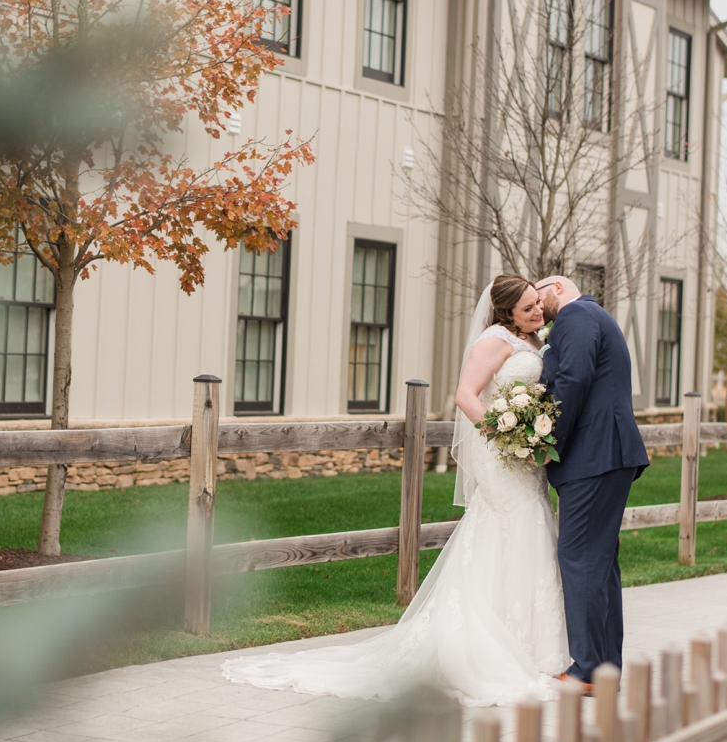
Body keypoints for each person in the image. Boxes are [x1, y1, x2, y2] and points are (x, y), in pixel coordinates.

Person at [220, 275, 570, 705]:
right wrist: (506, 436)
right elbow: (465, 395)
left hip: (524, 457)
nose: (537, 312)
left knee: (529, 529)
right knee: (512, 527)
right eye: (527, 309)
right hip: (502, 455)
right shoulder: (495, 339)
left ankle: (533, 644)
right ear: (505, 313)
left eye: (538, 304)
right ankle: (492, 645)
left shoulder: (535, 339)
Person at [533, 275, 648, 685]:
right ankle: (605, 669)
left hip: (593, 455)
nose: (535, 301)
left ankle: (584, 671)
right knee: (599, 563)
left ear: (558, 287)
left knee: (578, 557)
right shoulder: (594, 316)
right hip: (606, 454)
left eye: (538, 291)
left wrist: (547, 440)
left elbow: (574, 379)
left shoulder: (576, 315)